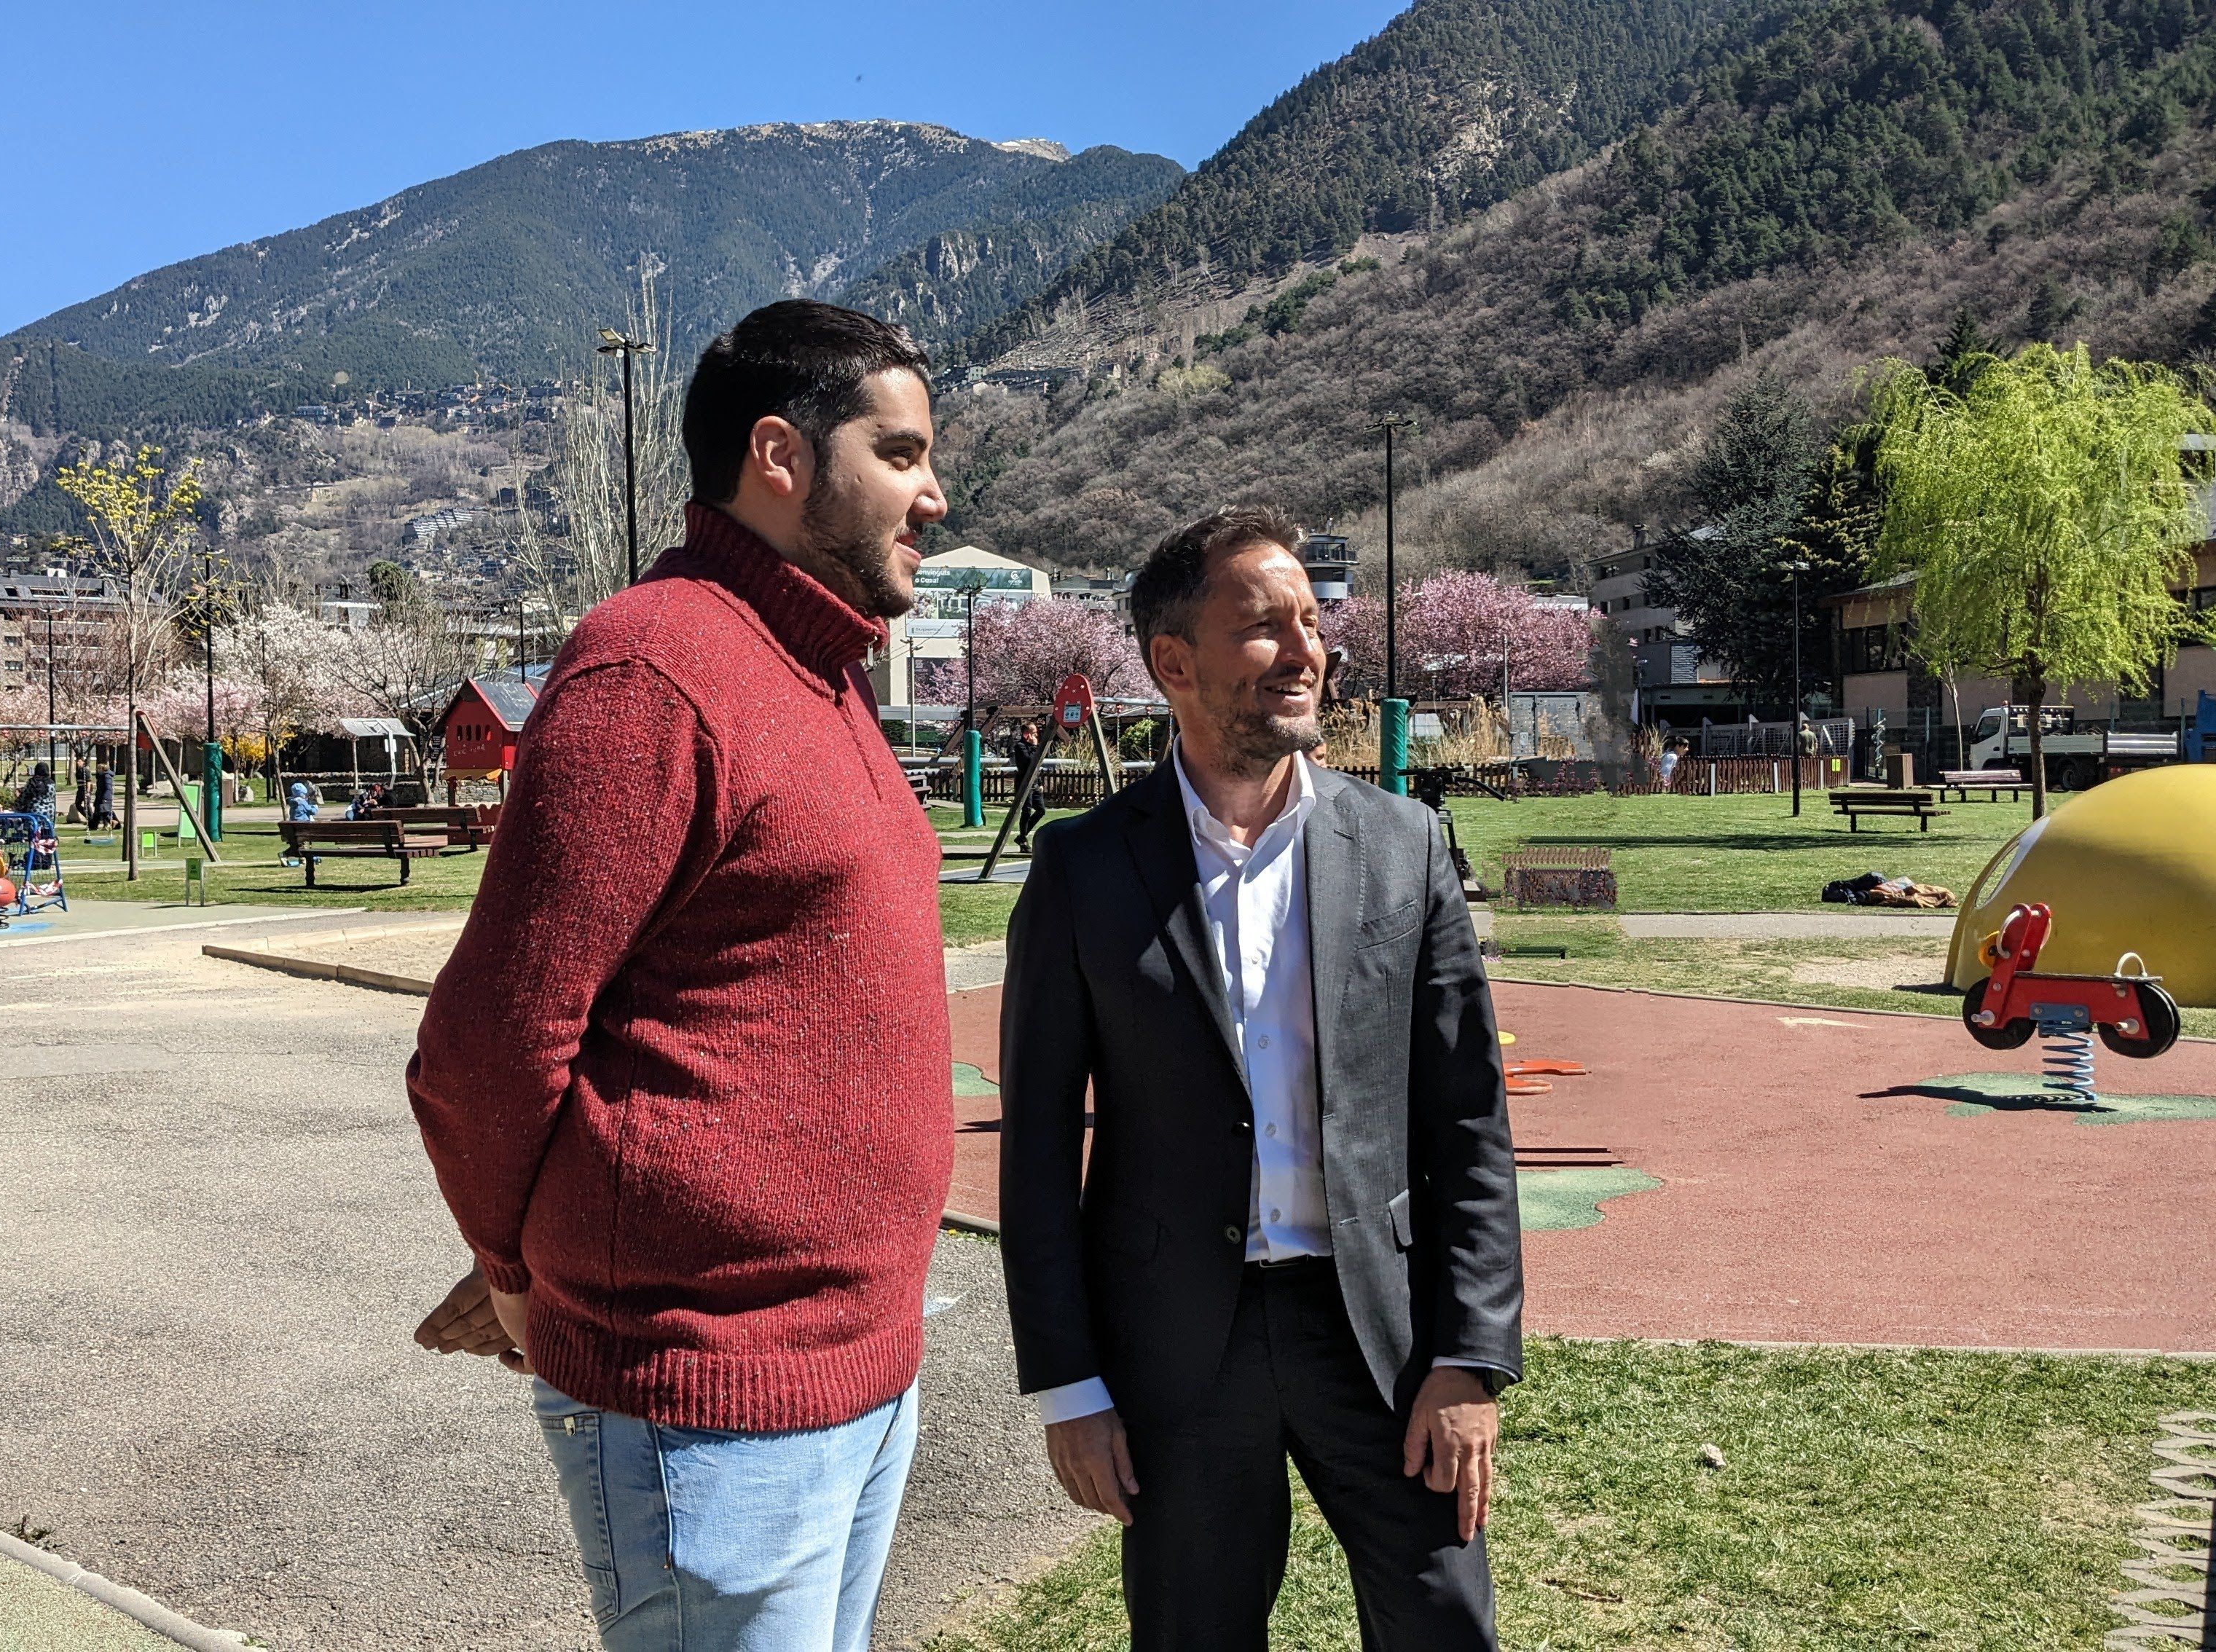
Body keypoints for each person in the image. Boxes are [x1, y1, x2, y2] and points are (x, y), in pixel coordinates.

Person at [408, 299, 954, 1651]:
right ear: (779, 455)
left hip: (859, 1366)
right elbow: (485, 1046)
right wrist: (517, 1271)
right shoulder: (652, 670)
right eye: (898, 453)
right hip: (708, 1393)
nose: (933, 493)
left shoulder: (819, 674)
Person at [995, 505, 1525, 1651]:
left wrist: (1470, 1357)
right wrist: (1072, 1387)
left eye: (1311, 621)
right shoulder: (1085, 869)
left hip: (1380, 1337)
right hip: (1181, 1346)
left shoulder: (1402, 845)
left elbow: (1467, 1121)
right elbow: (1038, 1147)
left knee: (1444, 1624)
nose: (1305, 651)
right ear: (1173, 663)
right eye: (1263, 627)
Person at [1012, 718, 1050, 854]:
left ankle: (1022, 836)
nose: (1036, 736)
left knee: (1041, 810)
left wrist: (1039, 783)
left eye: (1036, 733)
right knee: (1026, 810)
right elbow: (1029, 763)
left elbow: (1038, 765)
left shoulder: (1034, 746)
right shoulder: (1020, 747)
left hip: (1034, 783)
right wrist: (1034, 747)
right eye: (1033, 733)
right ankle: (1023, 840)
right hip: (1024, 783)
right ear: (1026, 734)